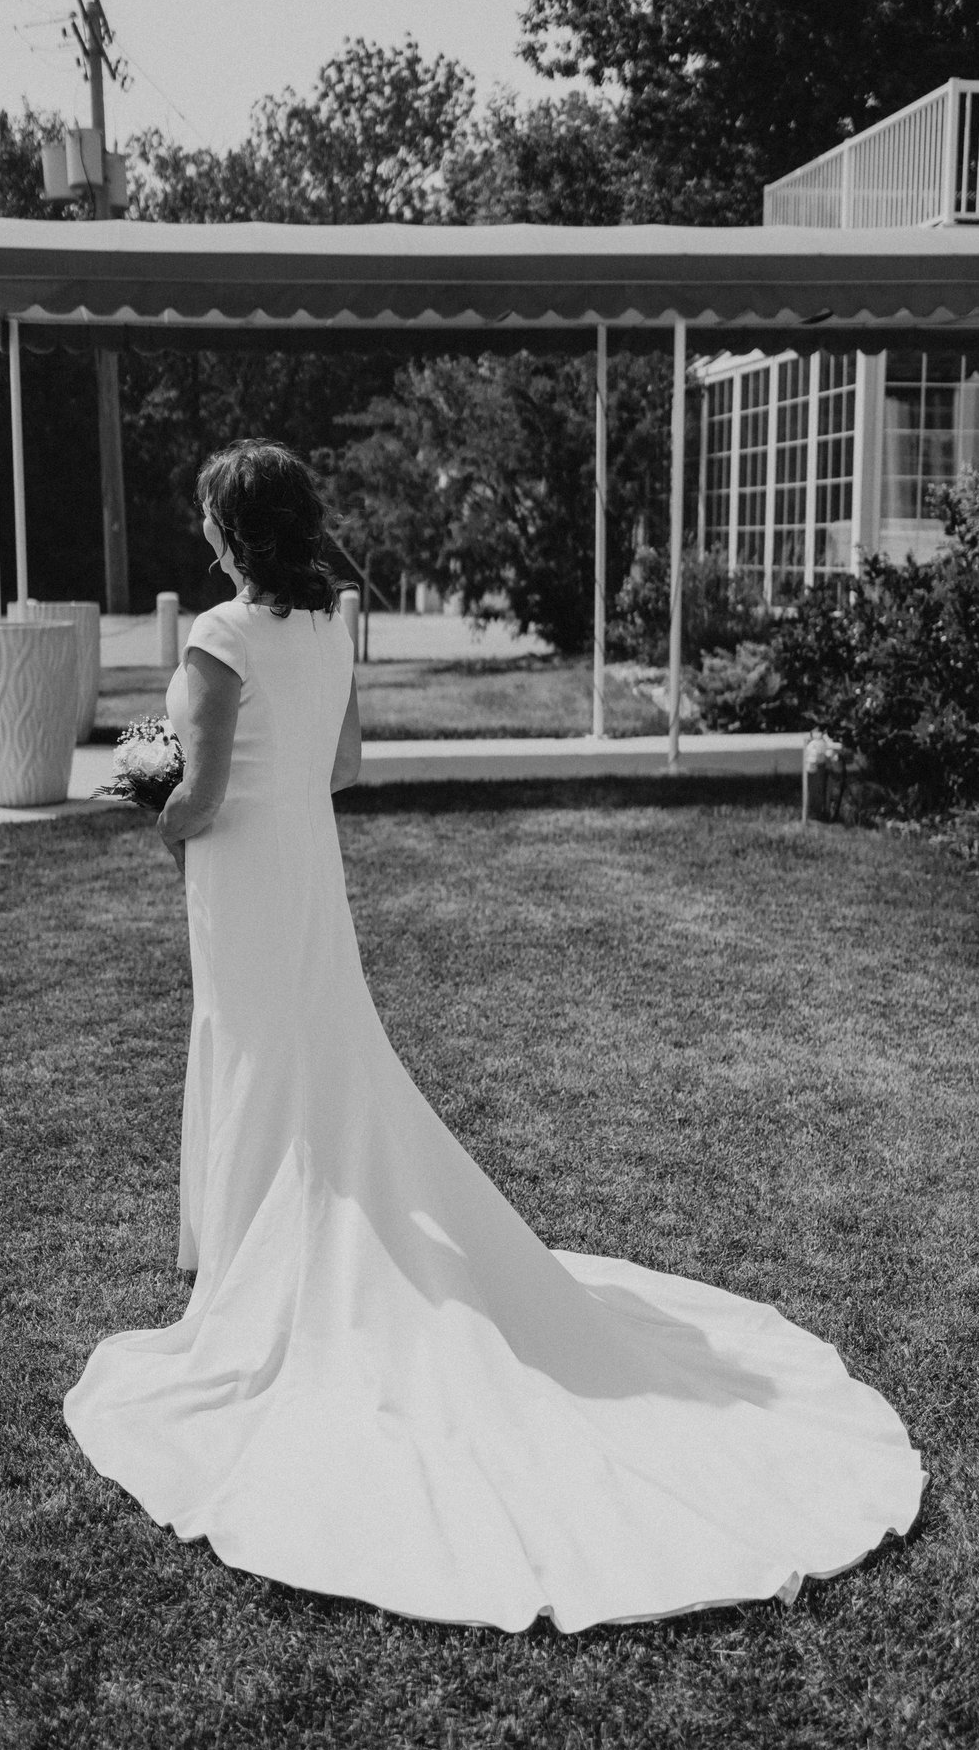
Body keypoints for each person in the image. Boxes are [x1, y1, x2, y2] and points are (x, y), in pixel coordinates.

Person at [64, 438, 927, 1634]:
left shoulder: (217, 641)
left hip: (243, 876)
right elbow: (346, 766)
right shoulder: (327, 629)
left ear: (227, 531)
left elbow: (202, 799)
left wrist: (146, 806)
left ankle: (252, 1268)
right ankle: (243, 1242)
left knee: (268, 1052)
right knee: (313, 1054)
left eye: (208, 517)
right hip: (305, 864)